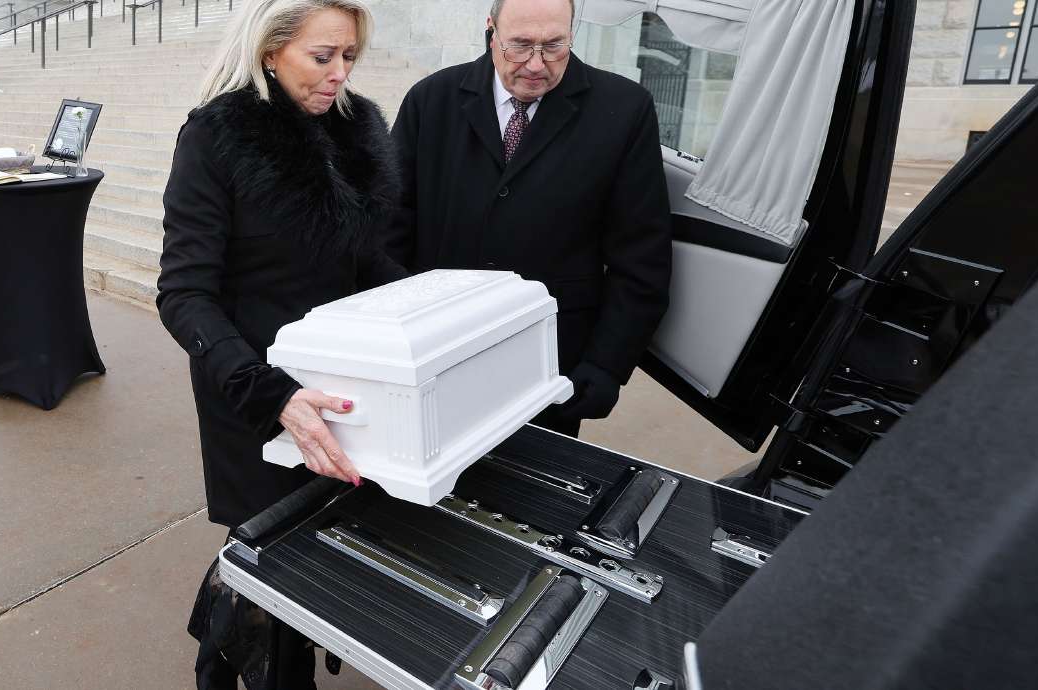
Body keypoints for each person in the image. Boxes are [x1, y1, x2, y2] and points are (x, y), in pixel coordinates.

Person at [155, 0, 404, 686]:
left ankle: (230, 650)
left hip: (343, 388)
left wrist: (429, 306)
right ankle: (236, 666)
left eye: (348, 56)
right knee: (270, 552)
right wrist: (270, 395)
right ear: (270, 49)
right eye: (322, 57)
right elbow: (183, 293)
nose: (339, 73)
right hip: (254, 391)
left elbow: (365, 259)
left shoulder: (358, 127)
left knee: (316, 552)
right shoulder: (216, 136)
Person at [385, 0, 672, 438]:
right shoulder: (431, 99)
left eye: (554, 46)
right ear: (491, 31)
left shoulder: (625, 109)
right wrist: (392, 337)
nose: (536, 64)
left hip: (554, 361)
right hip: (435, 350)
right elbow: (390, 228)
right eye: (519, 45)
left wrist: (606, 364)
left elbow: (642, 254)